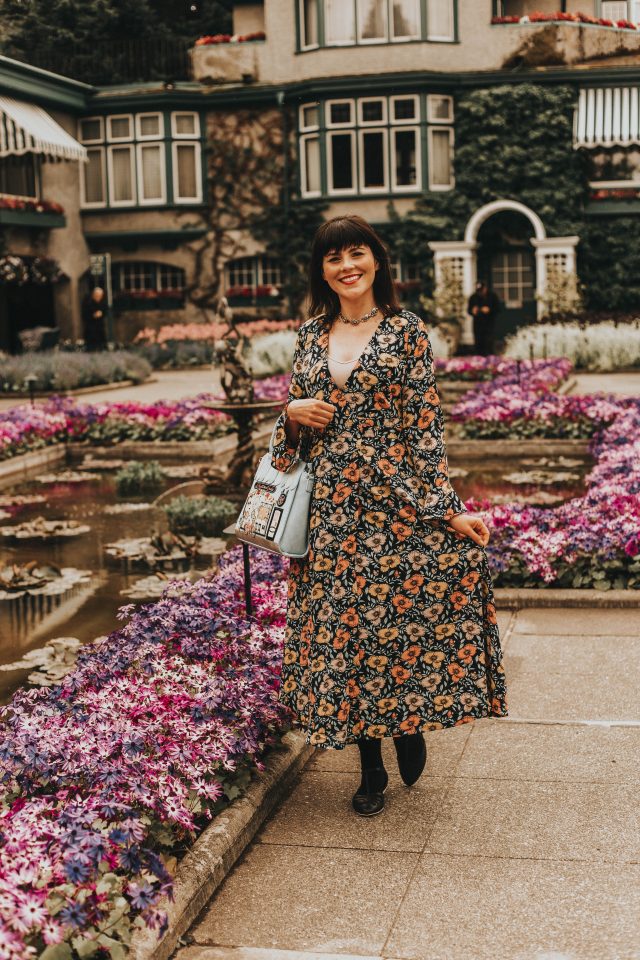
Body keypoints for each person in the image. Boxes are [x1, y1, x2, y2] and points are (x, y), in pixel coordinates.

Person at [269, 214, 508, 817]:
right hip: (329, 510)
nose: (346, 266)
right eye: (333, 258)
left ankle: (408, 723)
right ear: (321, 271)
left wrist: (448, 511)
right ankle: (369, 762)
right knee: (346, 629)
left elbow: (425, 430)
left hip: (394, 503)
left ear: (377, 260)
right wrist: (292, 414)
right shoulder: (308, 334)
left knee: (396, 622)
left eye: (356, 253)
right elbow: (285, 445)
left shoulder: (408, 333)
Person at [467, 280, 501, 356]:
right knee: (478, 341)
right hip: (478, 323)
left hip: (489, 323)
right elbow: (469, 310)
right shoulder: (473, 297)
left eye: (481, 290)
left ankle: (490, 356)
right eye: (478, 291)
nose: (480, 293)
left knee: (488, 341)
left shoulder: (492, 296)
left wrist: (489, 310)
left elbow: (498, 309)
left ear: (485, 288)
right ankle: (479, 357)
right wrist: (473, 311)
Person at [81, 286, 108, 350]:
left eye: (100, 296)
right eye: (97, 296)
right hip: (90, 328)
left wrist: (102, 313)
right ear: (94, 295)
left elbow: (105, 311)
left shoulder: (102, 302)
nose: (99, 298)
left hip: (100, 327)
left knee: (102, 346)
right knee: (91, 347)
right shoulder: (87, 302)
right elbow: (84, 315)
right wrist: (93, 316)